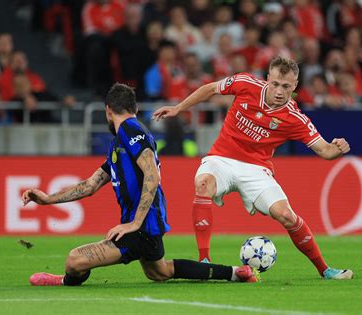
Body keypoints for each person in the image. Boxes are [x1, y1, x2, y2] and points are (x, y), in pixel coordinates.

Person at [22, 83, 257, 286]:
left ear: (107, 111)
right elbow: (91, 185)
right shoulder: (119, 144)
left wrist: (134, 223)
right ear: (134, 108)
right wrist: (48, 199)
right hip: (146, 226)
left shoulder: (130, 129)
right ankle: (237, 273)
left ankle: (65, 281)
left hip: (142, 227)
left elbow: (152, 175)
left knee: (74, 260)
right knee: (160, 271)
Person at [153, 56, 353, 280]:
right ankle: (204, 261)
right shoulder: (246, 84)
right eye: (275, 83)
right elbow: (210, 89)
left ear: (295, 86)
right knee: (203, 185)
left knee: (286, 215)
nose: (279, 91)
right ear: (268, 78)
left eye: (286, 86)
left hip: (257, 169)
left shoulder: (295, 118)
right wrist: (179, 108)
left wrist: (337, 149)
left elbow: (325, 151)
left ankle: (325, 270)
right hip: (222, 159)